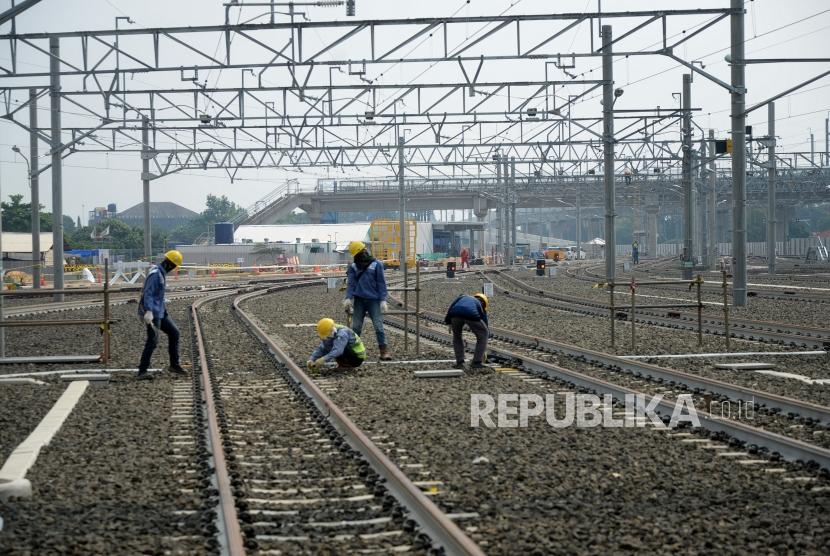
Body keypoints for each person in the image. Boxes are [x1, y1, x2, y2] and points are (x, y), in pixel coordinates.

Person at [137, 250, 186, 380]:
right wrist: (148, 311)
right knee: (152, 341)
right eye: (174, 266)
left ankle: (174, 365)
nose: (174, 269)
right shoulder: (155, 274)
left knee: (174, 333)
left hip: (161, 311)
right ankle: (142, 371)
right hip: (153, 313)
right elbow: (148, 293)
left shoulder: (161, 273)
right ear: (170, 264)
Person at [344, 240, 392, 360]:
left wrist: (382, 299)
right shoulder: (354, 267)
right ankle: (353, 351)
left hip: (373, 301)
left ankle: (384, 351)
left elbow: (381, 283)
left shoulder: (376, 264)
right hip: (359, 300)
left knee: (378, 326)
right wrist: (348, 297)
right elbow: (351, 284)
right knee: (356, 328)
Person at [444, 293, 490, 370]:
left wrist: (448, 321)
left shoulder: (462, 297)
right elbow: (484, 321)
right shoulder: (479, 304)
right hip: (470, 314)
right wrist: (486, 335)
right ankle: (476, 362)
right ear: (483, 302)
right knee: (483, 334)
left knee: (457, 337)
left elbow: (451, 308)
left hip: (455, 314)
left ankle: (460, 362)